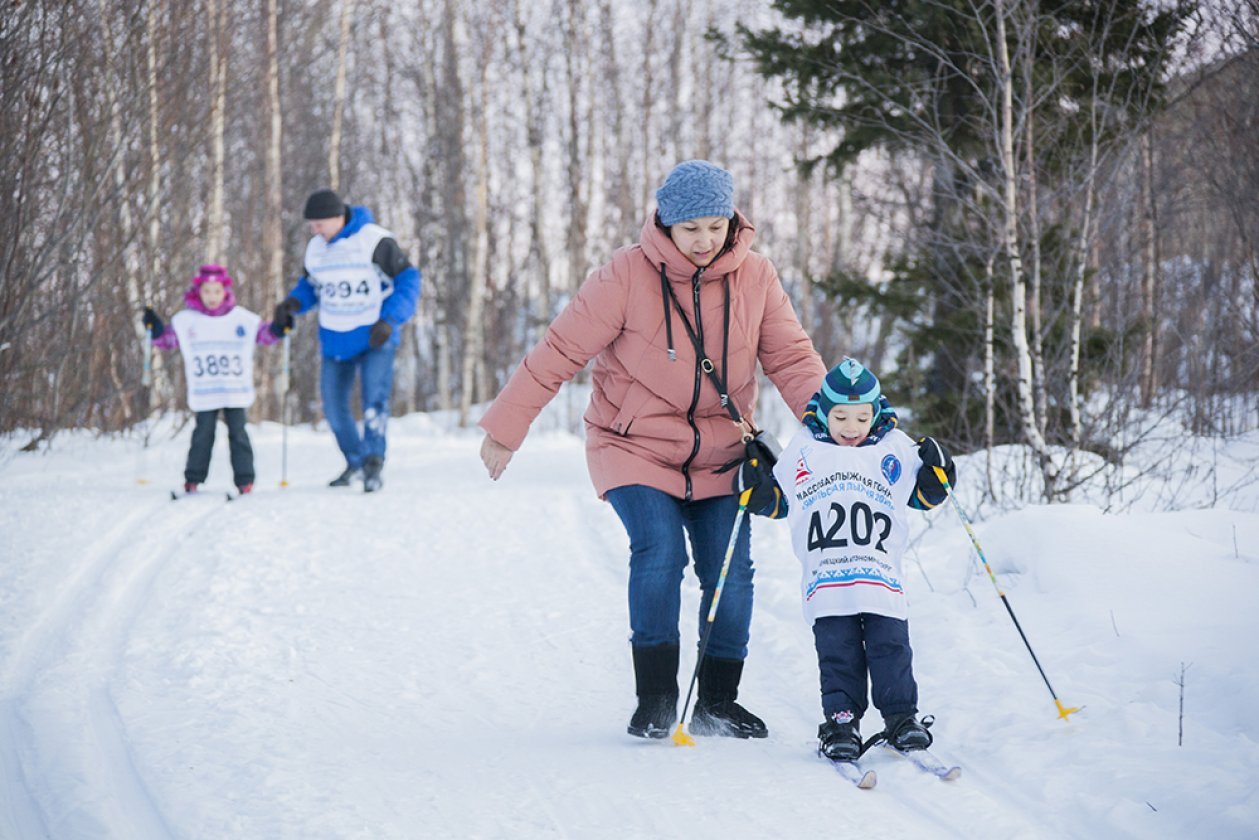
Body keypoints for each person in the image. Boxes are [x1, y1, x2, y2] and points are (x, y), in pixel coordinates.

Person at [478, 160, 826, 740]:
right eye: (692, 229)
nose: (705, 240)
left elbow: (791, 359)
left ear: (732, 221)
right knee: (660, 552)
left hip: (722, 454)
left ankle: (717, 701)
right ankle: (657, 700)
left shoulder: (756, 278)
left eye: (716, 226)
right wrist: (505, 429)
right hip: (632, 446)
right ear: (665, 222)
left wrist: (838, 428)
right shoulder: (624, 276)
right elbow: (559, 351)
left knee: (730, 578)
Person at [759, 357, 956, 760]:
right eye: (842, 417)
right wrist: (756, 490)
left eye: (862, 418)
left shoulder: (894, 448)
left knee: (891, 648)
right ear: (824, 413)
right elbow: (779, 501)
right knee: (838, 651)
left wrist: (939, 475)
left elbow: (921, 496)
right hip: (828, 579)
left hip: (879, 575)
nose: (852, 428)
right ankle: (841, 722)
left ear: (875, 414)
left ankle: (901, 717)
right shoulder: (805, 449)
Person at [271, 189, 420, 493]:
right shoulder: (316, 248)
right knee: (334, 406)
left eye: (319, 224)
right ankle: (355, 459)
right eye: (312, 226)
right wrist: (294, 304)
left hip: (375, 335)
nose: (315, 231)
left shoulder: (374, 240)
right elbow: (311, 286)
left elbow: (408, 279)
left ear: (338, 218)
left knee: (373, 403)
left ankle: (374, 463)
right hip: (336, 338)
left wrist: (390, 320)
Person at [142, 264, 279, 495]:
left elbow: (265, 335)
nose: (212, 297)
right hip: (205, 389)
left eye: (217, 291)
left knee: (238, 433)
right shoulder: (188, 320)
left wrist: (280, 325)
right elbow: (167, 341)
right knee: (203, 433)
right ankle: (193, 478)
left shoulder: (240, 318)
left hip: (234, 388)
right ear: (199, 292)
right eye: (207, 291)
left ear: (225, 291)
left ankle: (244, 480)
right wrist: (155, 329)